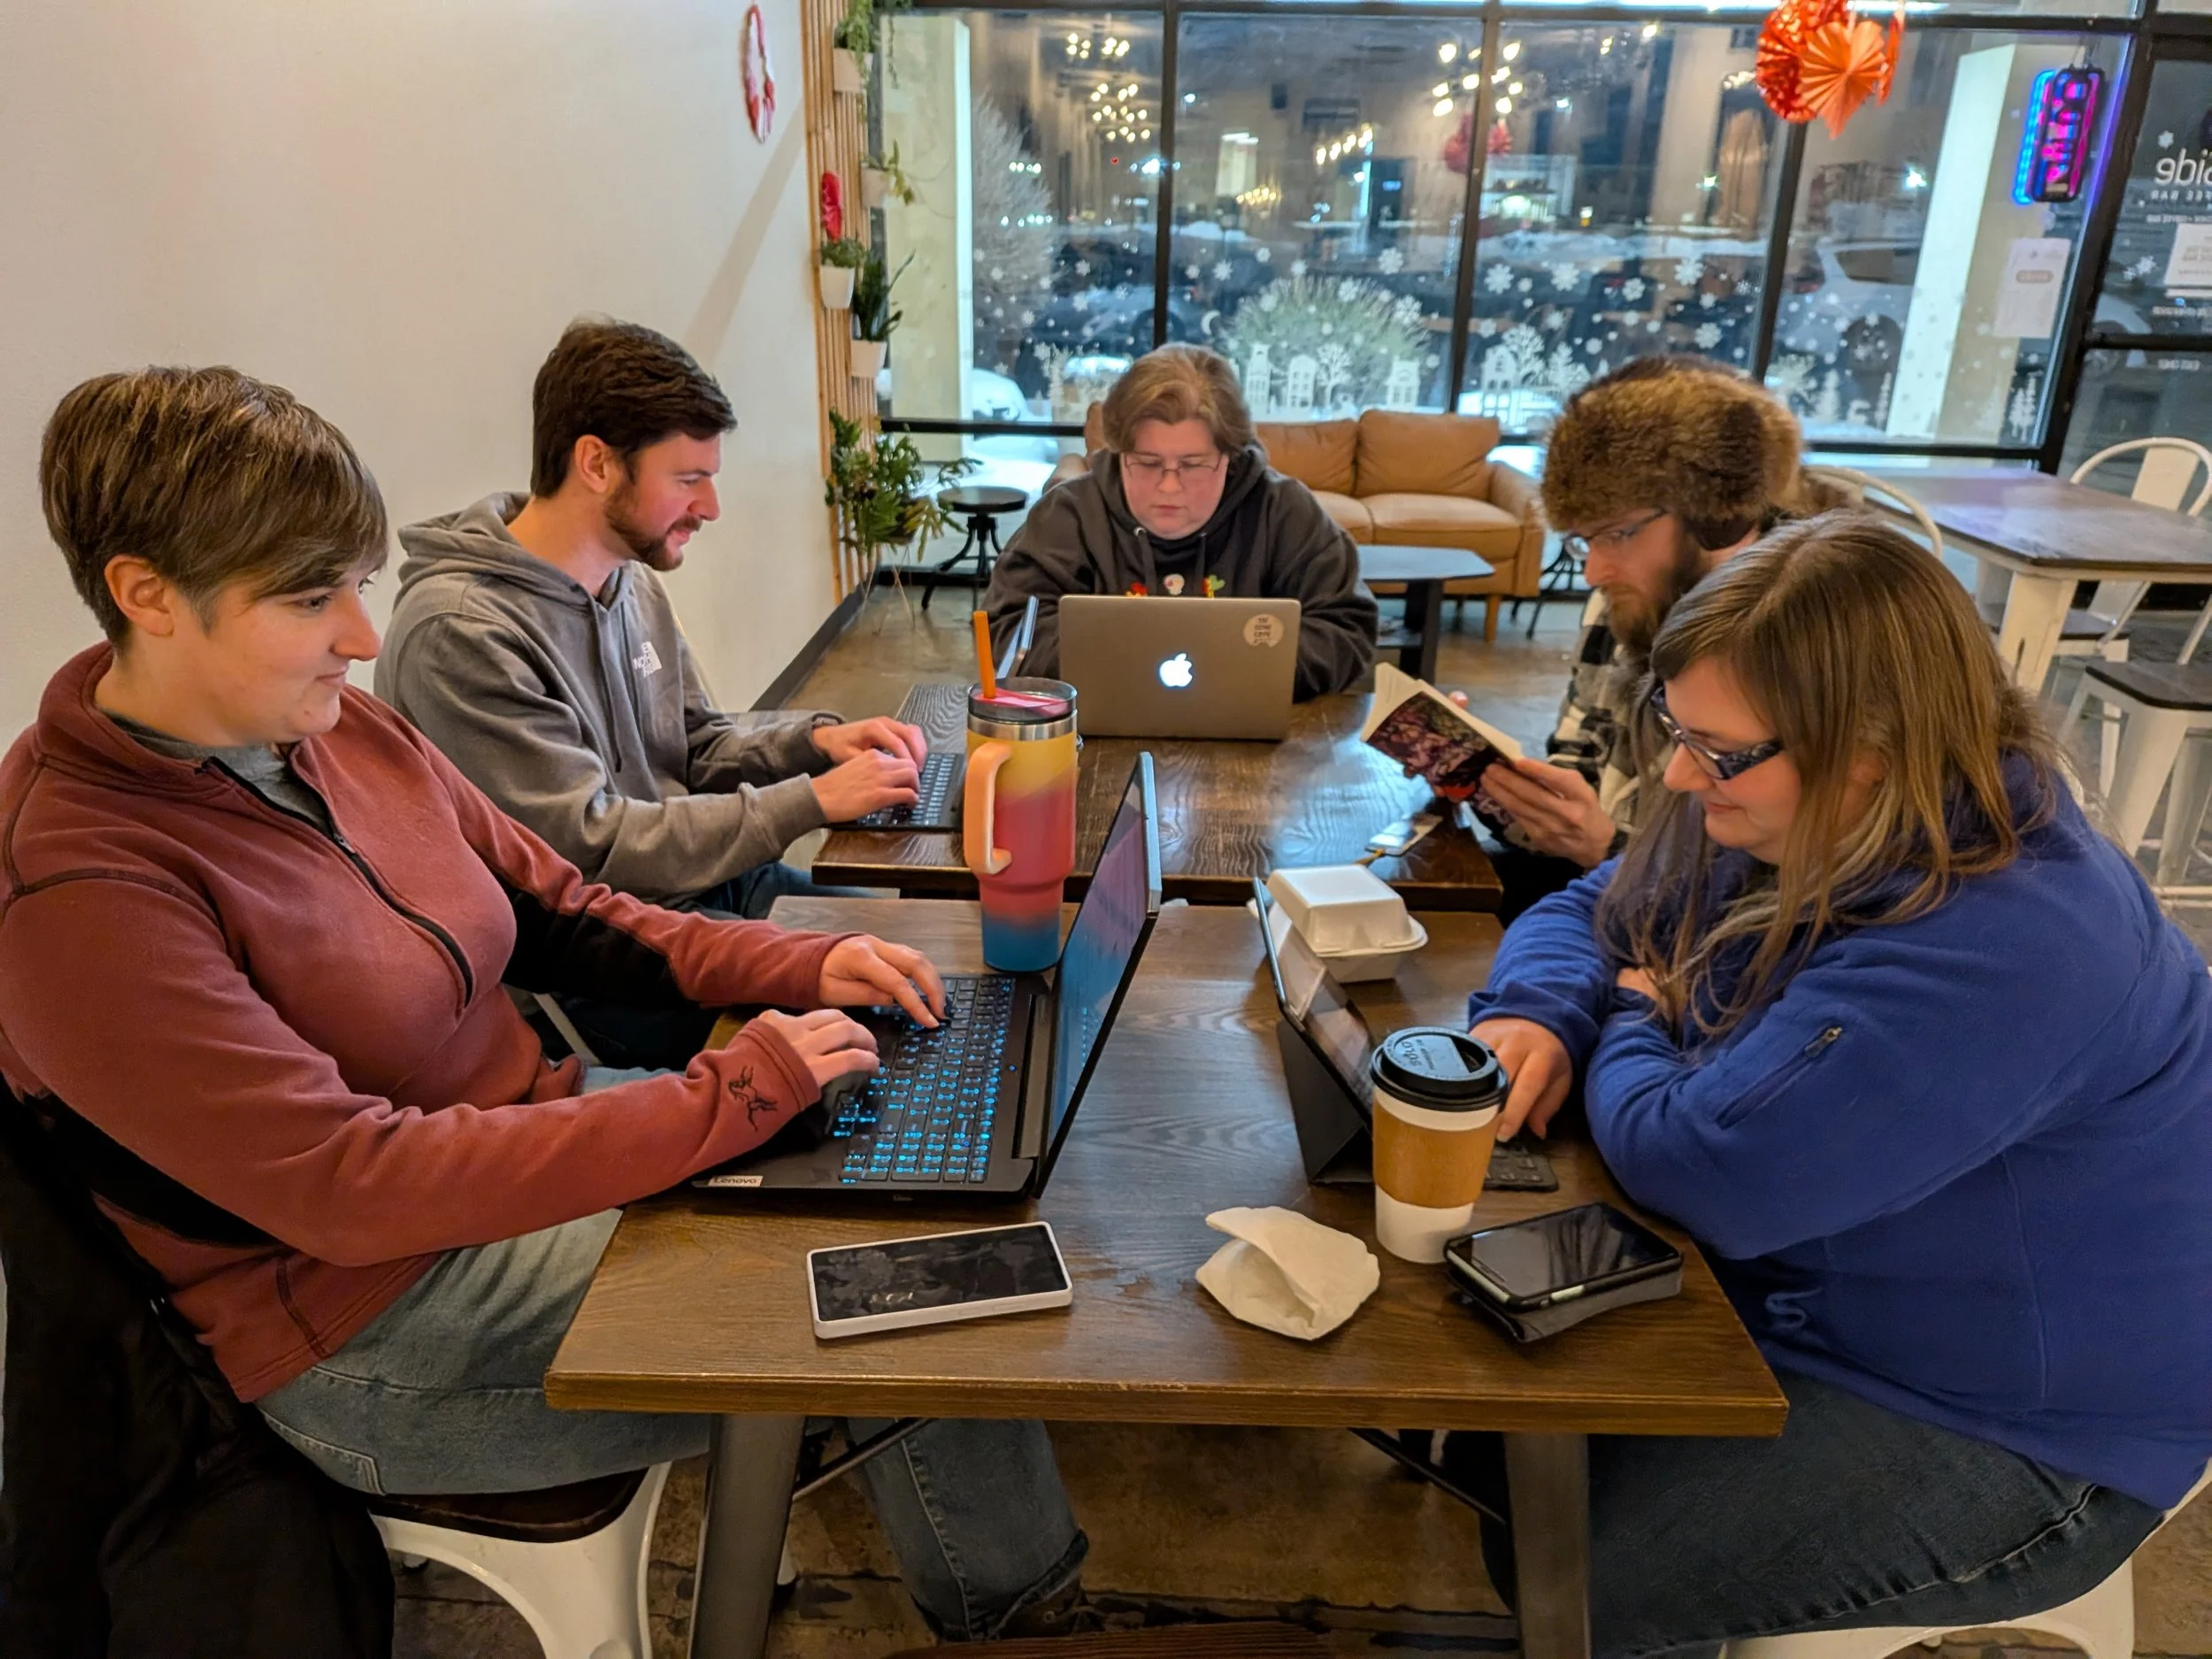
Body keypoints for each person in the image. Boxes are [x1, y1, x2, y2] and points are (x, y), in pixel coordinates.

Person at [0, 366, 1087, 1640]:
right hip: (375, 1320)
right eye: (308, 598)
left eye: (357, 581)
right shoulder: (81, 888)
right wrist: (735, 1090)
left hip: (536, 1136)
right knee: (908, 1300)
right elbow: (352, 1185)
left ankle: (1009, 1600)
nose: (362, 635)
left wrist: (791, 961)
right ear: (146, 594)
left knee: (907, 1183)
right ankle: (1027, 1625)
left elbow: (564, 906)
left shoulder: (333, 729)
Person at [1455, 515, 2212, 1656]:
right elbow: (1596, 905)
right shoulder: (1808, 800)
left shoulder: (2015, 940)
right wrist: (1535, 1009)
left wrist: (1629, 1018)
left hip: (2018, 1423)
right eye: (1675, 728)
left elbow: (1705, 1169)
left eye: (1714, 751)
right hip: (1824, 1287)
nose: (1677, 774)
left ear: (1868, 748)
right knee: (1504, 1440)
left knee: (1578, 1564)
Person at [380, 319, 933, 1064]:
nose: (711, 507)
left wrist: (816, 743)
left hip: (704, 891)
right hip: (599, 963)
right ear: (597, 464)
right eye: (688, 479)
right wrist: (811, 801)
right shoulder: (461, 632)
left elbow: (695, 743)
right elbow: (588, 848)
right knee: (882, 1030)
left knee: (924, 959)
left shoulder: (628, 578)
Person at [1480, 357, 1824, 918]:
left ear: (1717, 516)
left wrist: (1606, 850)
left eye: (1616, 534)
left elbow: (1777, 904)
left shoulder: (1810, 634)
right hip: (1604, 898)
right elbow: (1579, 769)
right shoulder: (1625, 603)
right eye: (1584, 540)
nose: (1593, 572)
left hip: (1708, 932)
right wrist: (1493, 787)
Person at [984, 343, 1378, 699]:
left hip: (1254, 735)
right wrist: (1133, 663)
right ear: (1120, 453)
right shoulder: (1067, 515)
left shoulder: (1284, 511)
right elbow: (1009, 632)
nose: (1169, 486)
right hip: (1091, 735)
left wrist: (1234, 670)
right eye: (1148, 463)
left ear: (1229, 456)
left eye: (1193, 465)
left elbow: (1346, 628)